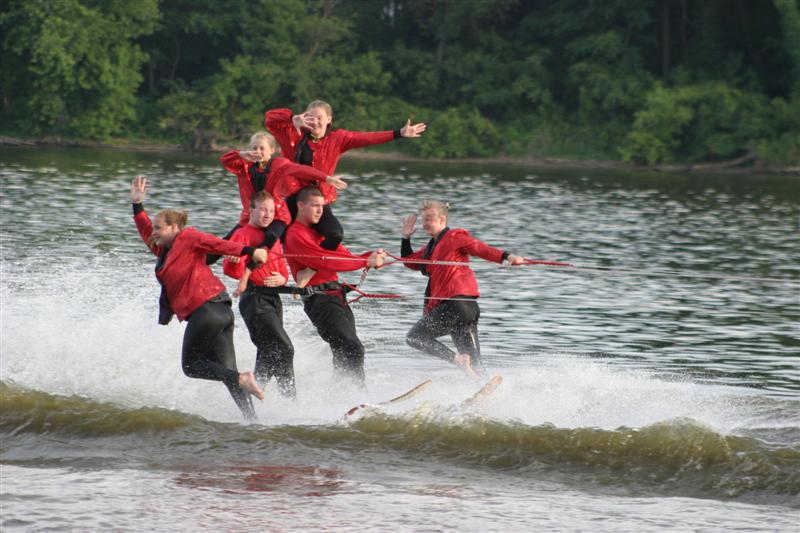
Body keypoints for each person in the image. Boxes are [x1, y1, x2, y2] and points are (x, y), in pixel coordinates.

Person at [129, 176, 267, 420]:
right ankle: (253, 422)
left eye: (159, 228)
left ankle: (242, 379)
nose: (154, 232)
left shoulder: (187, 237)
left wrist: (249, 251)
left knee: (191, 366)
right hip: (220, 310)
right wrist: (137, 205)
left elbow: (216, 244)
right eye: (154, 228)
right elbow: (145, 230)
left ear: (174, 227)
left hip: (205, 310)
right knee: (227, 372)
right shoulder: (164, 249)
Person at [265, 100, 426, 251]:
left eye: (320, 118)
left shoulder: (337, 139)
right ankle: (267, 263)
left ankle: (315, 264)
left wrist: (399, 133)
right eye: (311, 117)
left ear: (329, 119)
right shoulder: (294, 133)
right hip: (293, 197)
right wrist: (292, 118)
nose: (315, 122)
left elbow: (367, 138)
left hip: (319, 198)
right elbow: (270, 118)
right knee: (276, 235)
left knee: (335, 234)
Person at [400, 200, 524, 377]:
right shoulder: (430, 247)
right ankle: (485, 389)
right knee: (475, 366)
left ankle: (456, 360)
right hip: (464, 311)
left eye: (429, 219)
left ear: (442, 219)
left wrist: (507, 256)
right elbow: (409, 262)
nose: (424, 223)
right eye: (423, 220)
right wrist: (405, 239)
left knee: (415, 337)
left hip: (456, 305)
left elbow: (481, 248)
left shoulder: (455, 237)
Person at [283, 186, 387, 384]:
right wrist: (365, 261)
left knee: (343, 350)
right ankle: (355, 394)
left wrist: (371, 257)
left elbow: (344, 256)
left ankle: (341, 394)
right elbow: (324, 261)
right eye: (315, 206)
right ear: (301, 206)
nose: (319, 211)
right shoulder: (295, 234)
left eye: (322, 206)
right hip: (319, 300)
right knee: (352, 347)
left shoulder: (318, 233)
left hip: (336, 297)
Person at [218, 132, 347, 253]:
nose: (257, 152)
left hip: (277, 216)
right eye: (254, 148)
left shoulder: (279, 165)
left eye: (262, 148)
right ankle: (207, 263)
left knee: (271, 236)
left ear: (271, 150)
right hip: (251, 216)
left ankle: (254, 262)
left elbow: (301, 169)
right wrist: (241, 154)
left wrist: (326, 178)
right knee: (225, 243)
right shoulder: (244, 166)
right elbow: (225, 160)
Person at [223, 191, 296, 397]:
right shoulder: (242, 234)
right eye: (263, 210)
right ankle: (291, 400)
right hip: (254, 300)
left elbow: (282, 270)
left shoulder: (273, 238)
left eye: (271, 211)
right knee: (285, 348)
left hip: (274, 300)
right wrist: (234, 262)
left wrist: (282, 279)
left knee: (269, 352)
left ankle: (252, 395)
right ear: (251, 210)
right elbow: (231, 271)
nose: (268, 214)